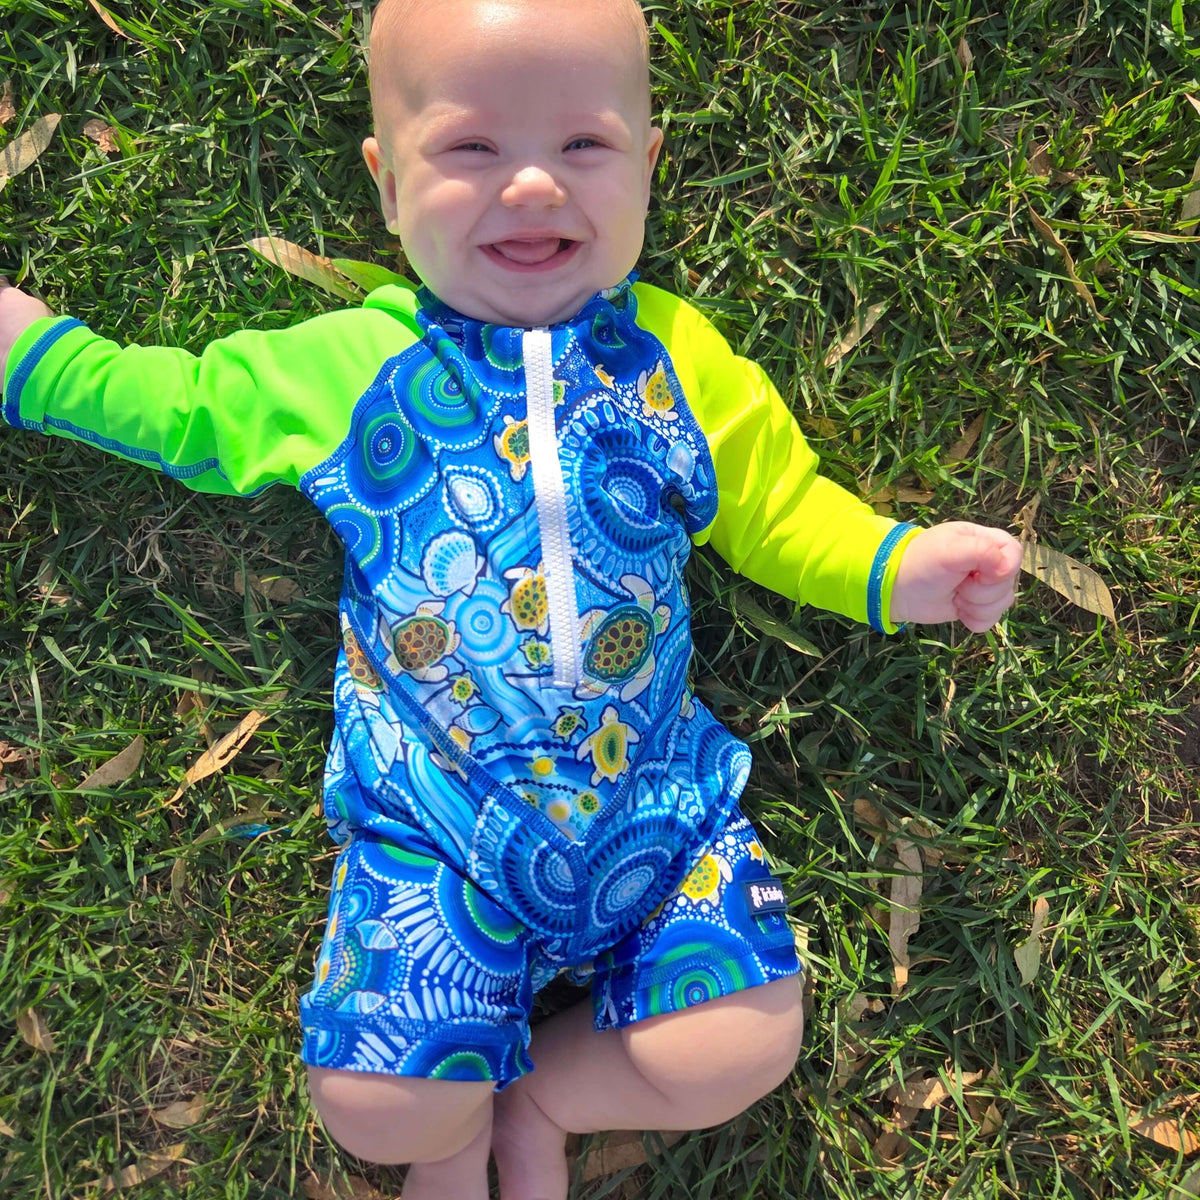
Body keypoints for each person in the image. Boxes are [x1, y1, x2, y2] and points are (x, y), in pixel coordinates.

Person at [0, 0, 1022, 1196]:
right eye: (472, 150)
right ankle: (450, 1133)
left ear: (646, 169)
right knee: (376, 1104)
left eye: (583, 147)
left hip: (665, 826)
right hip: (434, 843)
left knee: (744, 1040)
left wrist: (902, 569)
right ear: (388, 187)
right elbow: (173, 406)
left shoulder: (677, 359)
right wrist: (35, 355)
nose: (533, 187)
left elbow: (784, 512)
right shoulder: (346, 368)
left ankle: (541, 1094)